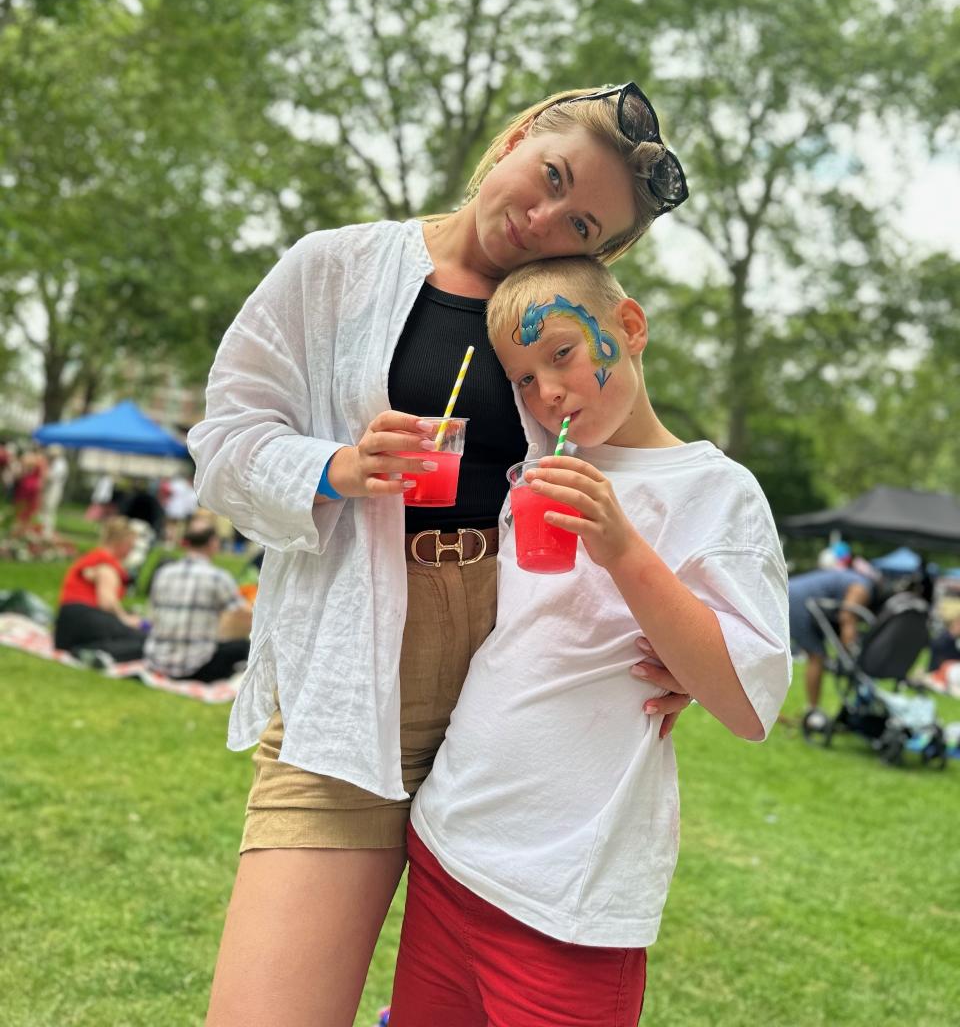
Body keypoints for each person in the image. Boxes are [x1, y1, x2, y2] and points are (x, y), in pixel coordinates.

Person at [189, 82, 694, 1027]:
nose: (542, 219)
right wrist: (334, 465)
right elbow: (221, 443)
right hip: (351, 686)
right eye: (547, 178)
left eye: (579, 224)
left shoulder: (564, 331)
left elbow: (642, 482)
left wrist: (685, 641)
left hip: (518, 709)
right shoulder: (334, 267)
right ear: (511, 143)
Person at [388, 256, 790, 1024]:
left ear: (629, 329)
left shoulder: (716, 493)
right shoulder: (534, 473)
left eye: (563, 354)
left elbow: (748, 705)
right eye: (525, 380)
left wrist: (624, 549)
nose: (549, 394)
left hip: (569, 895)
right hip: (450, 844)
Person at [144, 522, 252, 682]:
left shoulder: (163, 572)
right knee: (245, 647)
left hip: (156, 661)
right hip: (196, 667)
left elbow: (151, 615)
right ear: (213, 543)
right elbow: (245, 613)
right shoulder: (217, 577)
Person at [787, 564, 877, 729]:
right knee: (816, 656)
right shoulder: (862, 587)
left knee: (817, 656)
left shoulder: (854, 579)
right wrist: (849, 654)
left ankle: (813, 710)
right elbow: (847, 617)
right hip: (796, 602)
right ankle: (812, 712)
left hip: (796, 596)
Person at [54, 516, 146, 661]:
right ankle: (91, 653)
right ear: (122, 543)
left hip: (65, 626)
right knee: (144, 641)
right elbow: (107, 602)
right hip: (85, 618)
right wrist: (125, 619)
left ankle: (89, 650)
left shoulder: (91, 558)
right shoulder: (107, 565)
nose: (130, 552)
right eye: (131, 546)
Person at [39, 445, 69, 537]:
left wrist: (44, 474)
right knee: (44, 509)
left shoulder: (61, 463)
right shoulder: (54, 462)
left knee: (50, 508)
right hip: (49, 488)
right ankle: (43, 528)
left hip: (55, 488)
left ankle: (47, 531)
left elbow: (52, 476)